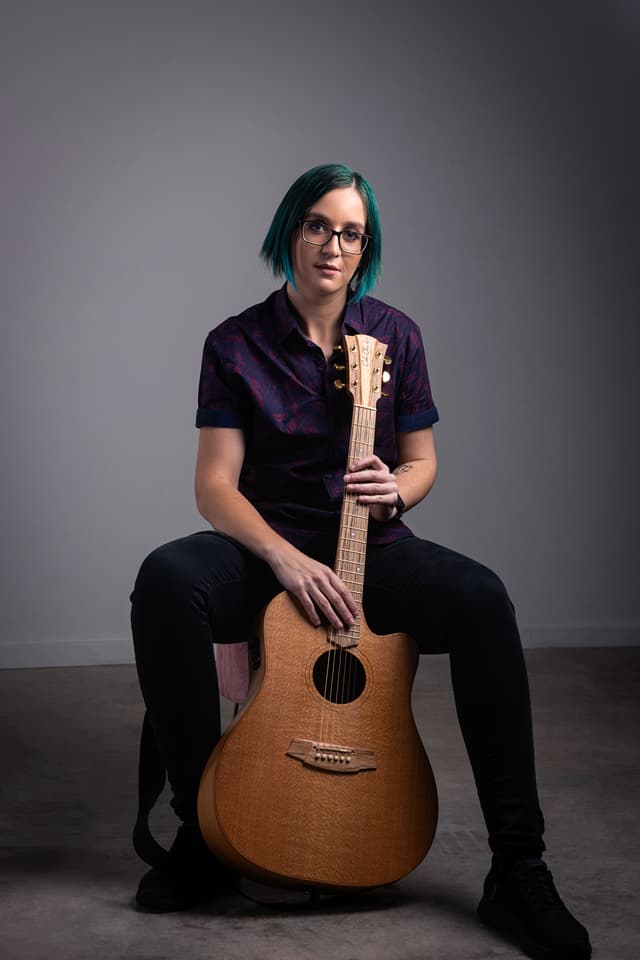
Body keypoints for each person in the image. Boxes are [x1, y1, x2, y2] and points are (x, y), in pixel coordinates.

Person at [130, 163, 591, 959]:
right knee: (167, 579)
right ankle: (203, 832)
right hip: (269, 551)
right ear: (290, 231)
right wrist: (283, 559)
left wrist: (395, 491)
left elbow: (422, 460)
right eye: (317, 225)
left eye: (352, 233)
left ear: (365, 247)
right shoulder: (234, 343)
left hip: (369, 550)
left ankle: (519, 868)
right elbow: (214, 487)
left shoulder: (395, 336)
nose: (333, 246)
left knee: (483, 598)